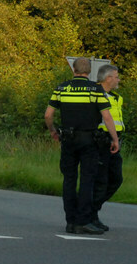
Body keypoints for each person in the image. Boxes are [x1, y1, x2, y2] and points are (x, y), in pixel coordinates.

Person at [44, 57, 119, 234]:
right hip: (89, 140)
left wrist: (53, 130)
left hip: (67, 139)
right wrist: (115, 139)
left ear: (74, 69)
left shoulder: (62, 88)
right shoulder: (95, 89)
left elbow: (48, 115)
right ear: (89, 71)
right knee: (87, 179)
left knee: (69, 179)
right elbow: (107, 117)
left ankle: (70, 221)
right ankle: (83, 221)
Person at [92, 64, 125, 231]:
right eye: (116, 77)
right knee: (101, 180)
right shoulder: (95, 94)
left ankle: (92, 209)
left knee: (116, 178)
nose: (118, 80)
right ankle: (91, 214)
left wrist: (116, 139)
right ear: (108, 78)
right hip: (101, 141)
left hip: (114, 141)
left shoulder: (117, 97)